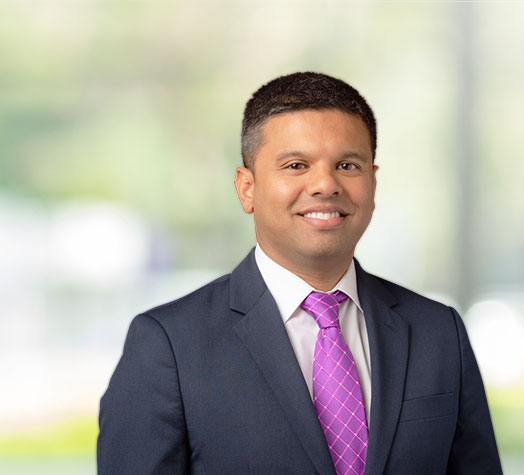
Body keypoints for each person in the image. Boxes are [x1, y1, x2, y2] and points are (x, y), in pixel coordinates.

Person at [97, 72, 502, 474]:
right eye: (296, 165)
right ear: (247, 188)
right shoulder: (169, 345)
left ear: (373, 184)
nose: (325, 185)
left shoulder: (438, 332)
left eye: (347, 165)